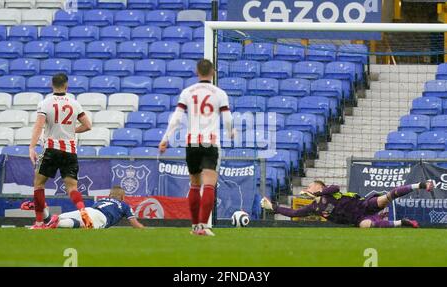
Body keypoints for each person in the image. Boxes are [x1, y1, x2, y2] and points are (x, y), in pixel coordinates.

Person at [158, 59, 235, 236]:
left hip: (191, 143)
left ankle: (194, 227)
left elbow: (176, 118)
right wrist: (231, 132)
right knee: (209, 184)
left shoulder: (187, 92)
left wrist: (165, 139)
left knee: (194, 184)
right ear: (213, 72)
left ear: (196, 72)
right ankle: (203, 226)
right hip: (210, 142)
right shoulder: (219, 93)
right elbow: (228, 118)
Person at [28, 73, 92, 229]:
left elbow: (39, 125)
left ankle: (39, 223)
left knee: (38, 185)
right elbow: (88, 125)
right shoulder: (74, 103)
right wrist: (71, 130)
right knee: (72, 188)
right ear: (66, 86)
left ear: (51, 85)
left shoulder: (45, 103)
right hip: (69, 150)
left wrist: (31, 147)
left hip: (51, 148)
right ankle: (83, 212)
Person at [261, 180, 434, 228]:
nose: (309, 187)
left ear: (320, 186)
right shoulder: (313, 207)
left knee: (385, 198)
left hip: (363, 205)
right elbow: (293, 213)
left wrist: (319, 192)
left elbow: (334, 186)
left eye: (312, 185)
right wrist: (273, 207)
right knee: (366, 226)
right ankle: (401, 223)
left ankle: (420, 184)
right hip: (357, 220)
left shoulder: (330, 191)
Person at [43, 186, 144, 229]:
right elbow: (135, 224)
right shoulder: (124, 205)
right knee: (84, 225)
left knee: (59, 217)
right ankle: (56, 223)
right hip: (101, 217)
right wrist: (144, 229)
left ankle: (45, 212)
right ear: (122, 197)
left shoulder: (102, 200)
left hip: (89, 209)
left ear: (109, 195)